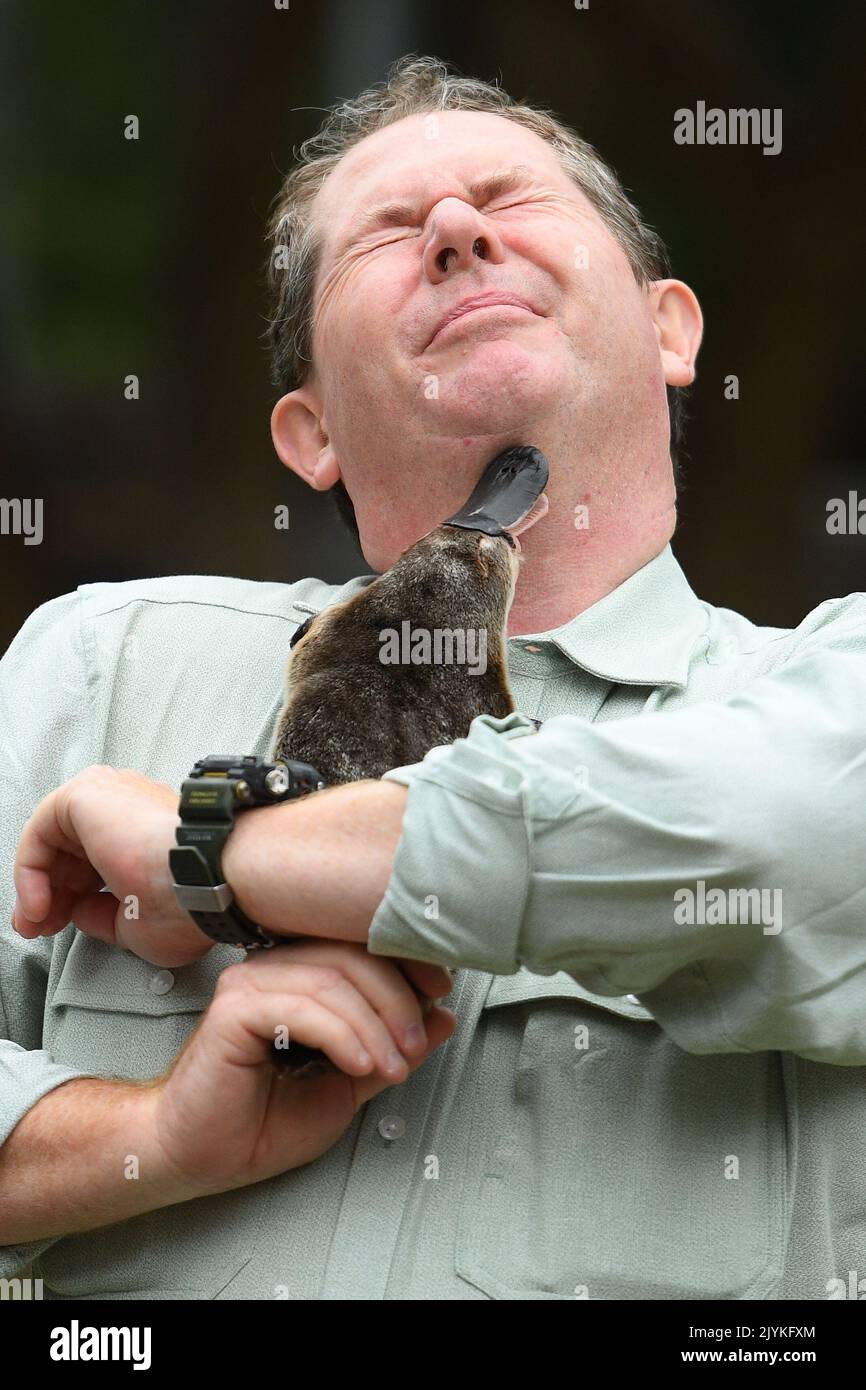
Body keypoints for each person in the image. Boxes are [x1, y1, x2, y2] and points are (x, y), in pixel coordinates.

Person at [1, 54, 864, 1302]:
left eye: (508, 199)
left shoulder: (823, 691)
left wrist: (216, 852)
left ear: (671, 329)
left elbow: (777, 836)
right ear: (312, 437)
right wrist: (145, 1139)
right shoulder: (104, 666)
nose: (457, 230)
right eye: (389, 234)